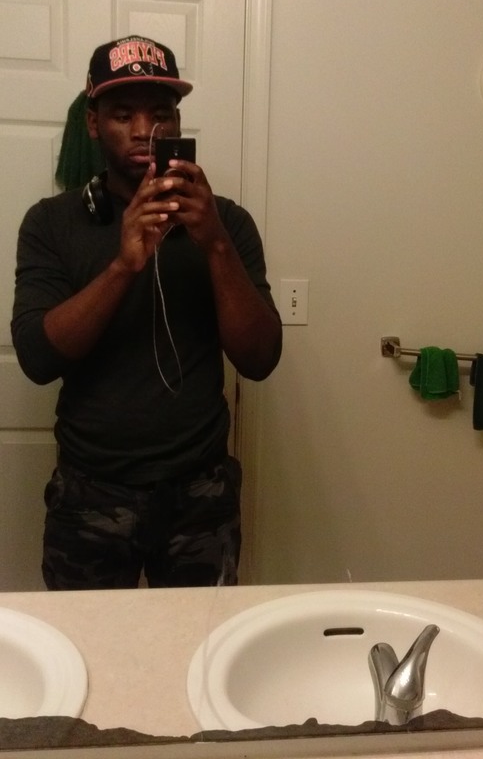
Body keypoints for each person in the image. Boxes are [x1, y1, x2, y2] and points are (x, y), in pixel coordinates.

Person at [11, 35, 282, 590]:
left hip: (200, 492)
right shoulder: (51, 223)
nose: (143, 131)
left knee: (202, 642)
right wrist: (123, 265)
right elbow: (38, 357)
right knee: (86, 643)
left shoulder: (226, 222)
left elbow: (260, 359)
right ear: (93, 124)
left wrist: (215, 243)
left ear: (176, 123)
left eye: (160, 114)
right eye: (122, 114)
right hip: (90, 493)